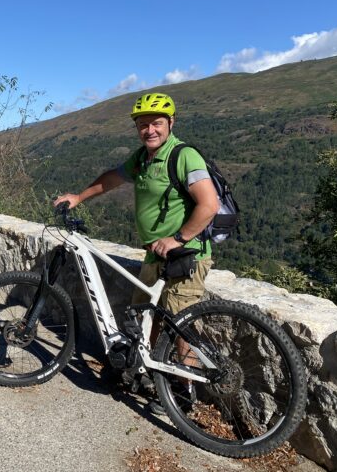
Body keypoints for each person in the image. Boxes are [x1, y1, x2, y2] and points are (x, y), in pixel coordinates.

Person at [53, 92, 218, 412]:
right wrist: (79, 196)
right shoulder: (142, 158)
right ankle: (137, 371)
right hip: (156, 257)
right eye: (143, 125)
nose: (150, 130)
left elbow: (209, 205)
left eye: (157, 123)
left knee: (177, 324)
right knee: (142, 316)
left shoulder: (184, 156)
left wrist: (178, 238)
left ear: (171, 123)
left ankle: (184, 395)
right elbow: (111, 179)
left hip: (186, 256)